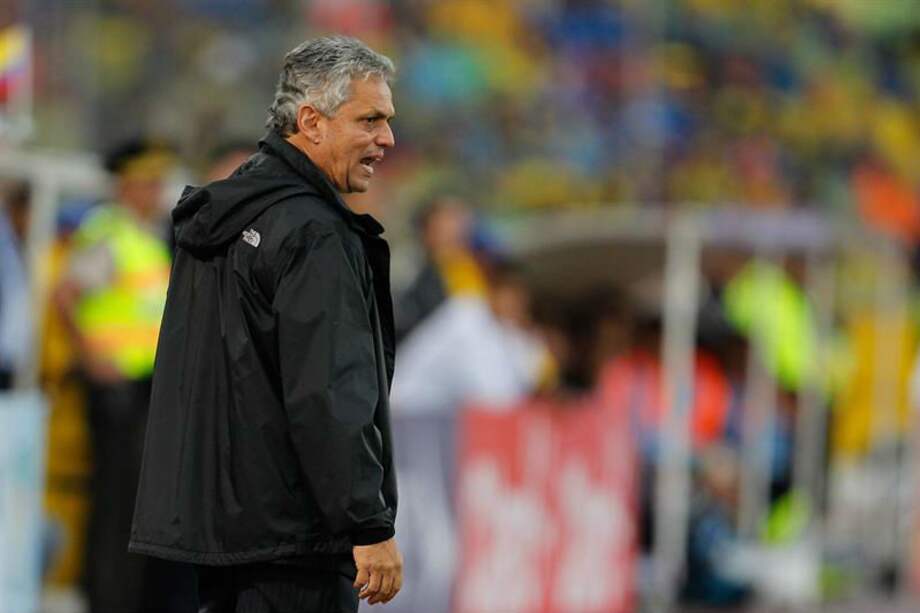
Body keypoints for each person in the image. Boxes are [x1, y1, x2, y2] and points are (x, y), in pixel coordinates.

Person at [129, 36, 403, 612]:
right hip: (294, 541)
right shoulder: (314, 231)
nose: (387, 139)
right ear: (311, 120)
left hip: (224, 537)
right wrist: (368, 523)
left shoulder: (225, 214)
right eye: (370, 119)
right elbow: (327, 392)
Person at [52, 139, 190, 612]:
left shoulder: (146, 234)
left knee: (138, 503)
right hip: (117, 391)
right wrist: (92, 357)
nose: (157, 193)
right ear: (128, 186)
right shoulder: (108, 232)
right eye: (149, 184)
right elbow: (66, 296)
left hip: (146, 386)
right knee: (117, 504)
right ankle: (108, 598)